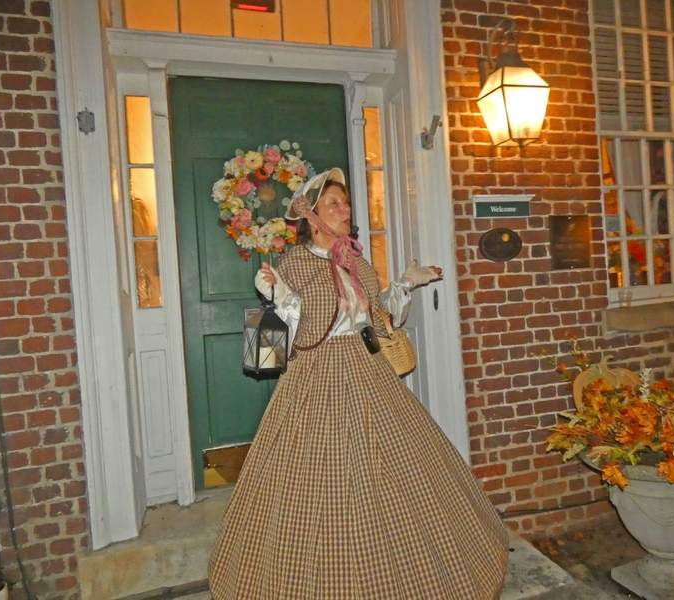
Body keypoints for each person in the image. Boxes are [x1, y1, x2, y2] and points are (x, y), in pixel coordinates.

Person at [208, 168, 508, 599]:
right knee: (316, 484)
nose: (345, 210)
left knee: (398, 473)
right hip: (316, 380)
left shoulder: (357, 262)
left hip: (368, 373)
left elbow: (379, 321)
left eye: (345, 203)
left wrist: (405, 284)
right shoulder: (293, 265)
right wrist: (279, 297)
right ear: (311, 216)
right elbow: (282, 340)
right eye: (334, 204)